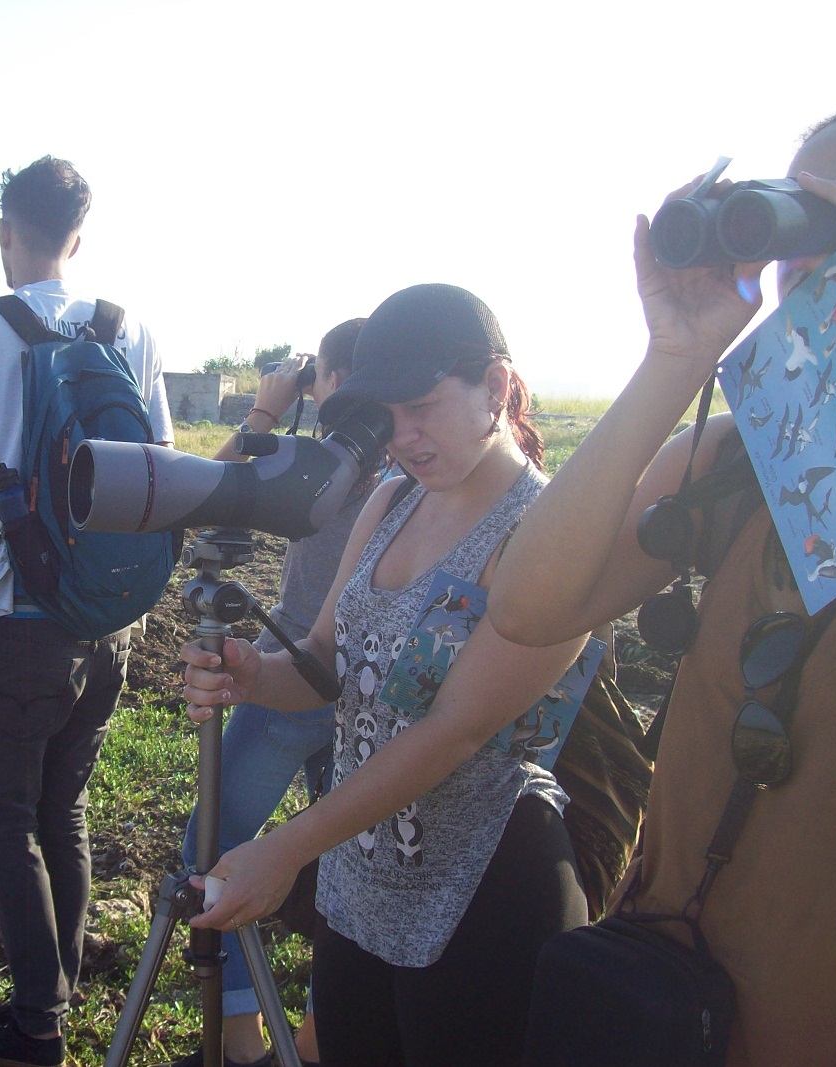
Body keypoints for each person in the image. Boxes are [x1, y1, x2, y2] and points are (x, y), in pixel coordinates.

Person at [487, 100, 836, 1067]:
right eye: (805, 212)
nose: (828, 242)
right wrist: (676, 358)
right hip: (668, 1002)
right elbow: (528, 605)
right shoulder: (738, 454)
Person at [182, 284, 590, 1067]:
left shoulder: (545, 534)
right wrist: (252, 673)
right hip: (359, 883)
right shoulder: (391, 503)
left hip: (482, 893)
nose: (403, 437)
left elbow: (454, 732)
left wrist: (287, 848)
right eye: (387, 415)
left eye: (424, 408)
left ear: (496, 387)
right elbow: (327, 662)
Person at [0, 155, 173, 1067]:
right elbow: (159, 469)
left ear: (5, 231)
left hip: (19, 612)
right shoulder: (126, 325)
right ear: (79, 236)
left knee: (5, 815)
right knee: (62, 811)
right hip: (108, 617)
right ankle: (48, 1002)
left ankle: (36, 1025)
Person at [170, 320, 372, 1067]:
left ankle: (245, 1049)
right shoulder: (411, 467)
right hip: (365, 684)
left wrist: (264, 410)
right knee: (347, 874)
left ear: (333, 378)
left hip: (291, 668)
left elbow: (198, 498)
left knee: (211, 848)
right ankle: (314, 1051)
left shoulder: (316, 462)